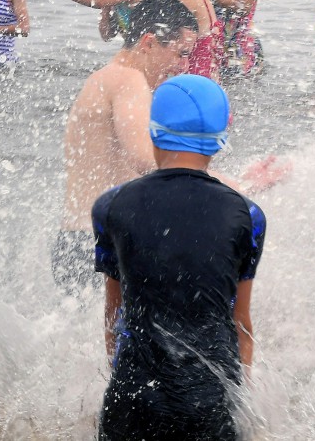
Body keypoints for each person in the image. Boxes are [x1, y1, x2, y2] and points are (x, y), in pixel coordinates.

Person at [93, 74, 265, 440]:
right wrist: (241, 399)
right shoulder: (247, 216)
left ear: (154, 133)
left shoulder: (111, 206)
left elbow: (114, 314)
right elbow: (242, 324)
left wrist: (117, 374)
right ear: (220, 143)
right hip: (208, 401)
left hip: (133, 397)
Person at [57, 0, 198, 291]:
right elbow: (146, 159)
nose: (183, 66)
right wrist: (226, 186)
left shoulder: (104, 79)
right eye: (180, 53)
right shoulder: (128, 80)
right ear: (148, 43)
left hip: (76, 244)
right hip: (103, 246)